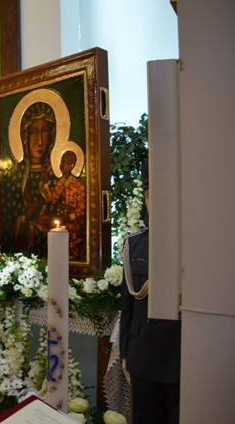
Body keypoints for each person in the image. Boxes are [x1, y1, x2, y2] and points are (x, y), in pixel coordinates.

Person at [120, 163, 181, 424]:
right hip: (143, 355)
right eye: (149, 195)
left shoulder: (189, 243)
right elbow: (128, 306)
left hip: (179, 358)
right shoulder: (134, 244)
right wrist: (126, 351)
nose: (153, 200)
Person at [14, 102, 59, 256]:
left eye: (45, 131)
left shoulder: (57, 175)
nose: (39, 141)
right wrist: (25, 218)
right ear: (25, 136)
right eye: (34, 132)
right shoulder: (14, 176)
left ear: (52, 135)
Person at [44, 150, 86, 260]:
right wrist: (45, 185)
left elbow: (81, 208)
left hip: (73, 221)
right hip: (61, 218)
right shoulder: (61, 182)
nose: (62, 165)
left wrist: (68, 217)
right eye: (62, 162)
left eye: (66, 163)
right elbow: (53, 199)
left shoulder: (78, 185)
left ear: (72, 166)